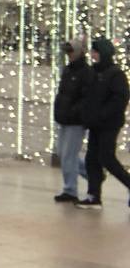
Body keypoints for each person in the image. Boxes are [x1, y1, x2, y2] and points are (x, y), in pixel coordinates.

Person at [76, 36, 130, 210]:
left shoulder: (115, 74)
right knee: (91, 159)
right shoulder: (93, 72)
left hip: (109, 124)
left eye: (95, 51)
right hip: (95, 123)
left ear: (102, 53)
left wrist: (102, 114)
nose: (92, 55)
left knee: (107, 158)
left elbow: (120, 99)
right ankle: (94, 196)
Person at [53, 36, 90, 203]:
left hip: (75, 121)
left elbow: (86, 97)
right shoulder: (68, 70)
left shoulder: (85, 72)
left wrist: (75, 111)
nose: (68, 54)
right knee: (63, 153)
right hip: (64, 118)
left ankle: (70, 190)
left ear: (79, 52)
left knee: (69, 155)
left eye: (71, 51)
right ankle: (92, 174)